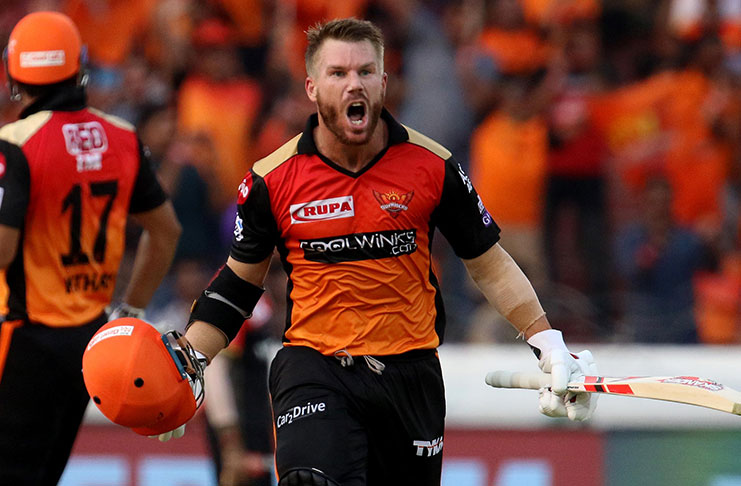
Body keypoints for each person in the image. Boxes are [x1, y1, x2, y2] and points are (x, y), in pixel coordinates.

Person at [164, 18, 596, 485]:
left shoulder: (434, 166)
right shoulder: (271, 179)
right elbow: (236, 286)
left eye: (366, 72)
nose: (355, 84)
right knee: (308, 480)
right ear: (312, 87)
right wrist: (191, 361)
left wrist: (548, 345)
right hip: (316, 366)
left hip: (410, 376)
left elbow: (489, 264)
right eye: (339, 74)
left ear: (384, 83)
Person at [0, 11, 180, 486]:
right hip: (90, 343)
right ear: (78, 65)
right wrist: (132, 306)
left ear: (16, 73)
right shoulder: (121, 137)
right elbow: (166, 232)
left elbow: (2, 250)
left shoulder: (13, 143)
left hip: (24, 338)